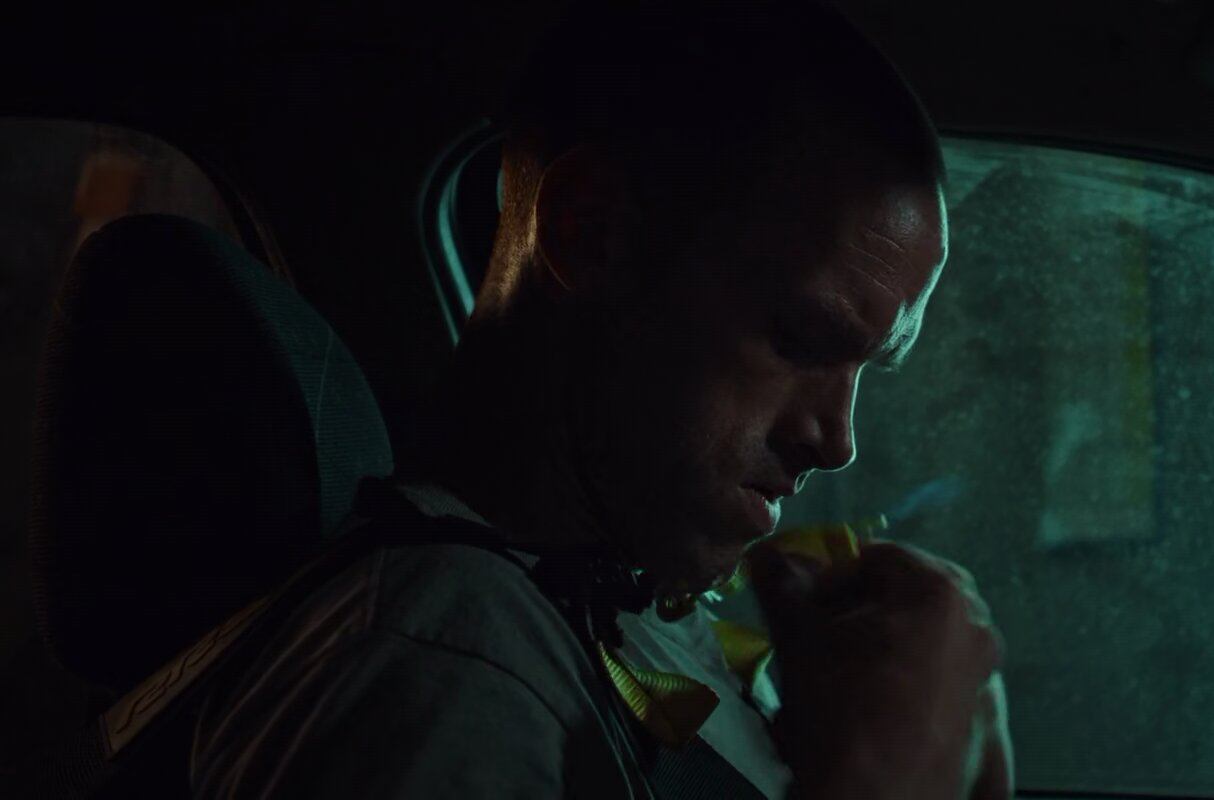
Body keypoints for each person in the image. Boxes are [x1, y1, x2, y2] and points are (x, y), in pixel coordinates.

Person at [187, 1, 1010, 797]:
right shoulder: (439, 670)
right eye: (797, 337)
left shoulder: (614, 609)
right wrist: (891, 775)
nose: (837, 441)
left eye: (868, 366)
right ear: (590, 231)